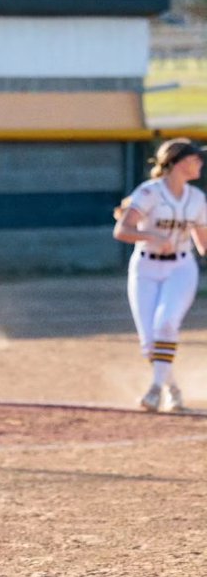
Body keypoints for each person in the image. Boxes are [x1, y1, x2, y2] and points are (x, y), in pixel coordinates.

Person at [112, 138, 207, 412]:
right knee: (149, 343)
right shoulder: (149, 192)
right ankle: (173, 389)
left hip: (181, 268)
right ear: (178, 162)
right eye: (195, 158)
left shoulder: (197, 198)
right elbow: (121, 230)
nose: (200, 163)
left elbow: (203, 244)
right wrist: (151, 236)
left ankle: (154, 390)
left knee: (166, 323)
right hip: (145, 268)